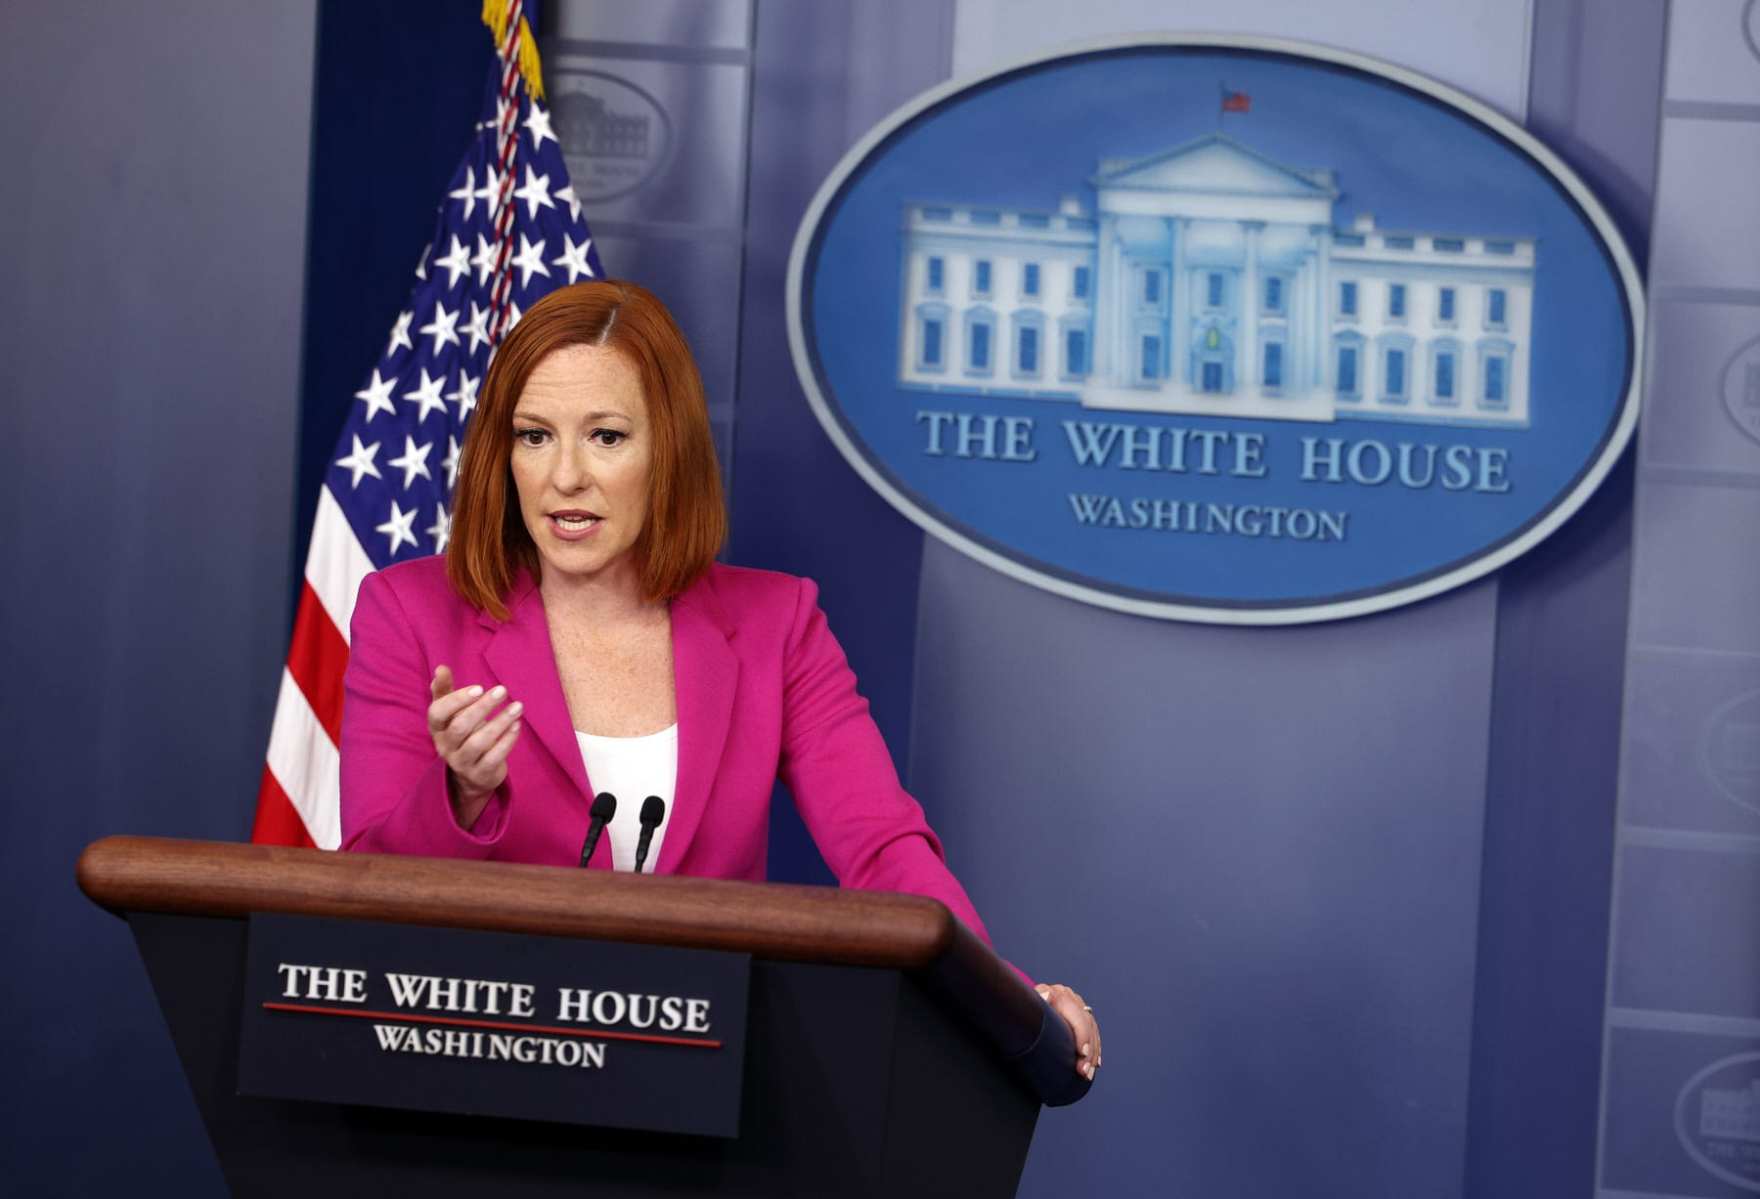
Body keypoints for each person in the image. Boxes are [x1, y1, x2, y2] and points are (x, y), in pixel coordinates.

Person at [339, 280, 1099, 1081]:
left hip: (697, 1085)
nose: (564, 476)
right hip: (473, 1076)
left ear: (667, 448)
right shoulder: (410, 613)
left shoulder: (778, 625)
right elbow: (363, 882)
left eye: (605, 436)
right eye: (534, 437)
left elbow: (883, 849)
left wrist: (1014, 1000)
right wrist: (458, 793)